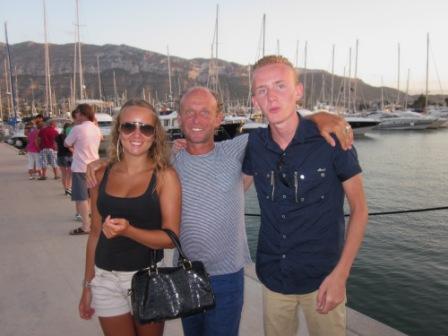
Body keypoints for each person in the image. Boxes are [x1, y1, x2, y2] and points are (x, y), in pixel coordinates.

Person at [87, 88, 353, 336]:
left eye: (205, 112)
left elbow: (281, 127)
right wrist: (104, 162)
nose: (196, 119)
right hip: (184, 272)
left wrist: (318, 117)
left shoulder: (237, 149)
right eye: (189, 112)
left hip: (228, 276)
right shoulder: (168, 161)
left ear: (219, 119)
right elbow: (136, 155)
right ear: (179, 119)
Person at [242, 55, 368, 336]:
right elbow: (231, 186)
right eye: (262, 90)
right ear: (255, 101)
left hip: (324, 278)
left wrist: (341, 275)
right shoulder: (254, 146)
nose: (271, 96)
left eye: (280, 86)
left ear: (298, 92)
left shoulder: (332, 140)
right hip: (274, 277)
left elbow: (360, 210)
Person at [78, 99, 181, 336]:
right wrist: (87, 285)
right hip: (104, 280)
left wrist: (128, 231)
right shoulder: (100, 173)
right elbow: (94, 233)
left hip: (147, 278)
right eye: (129, 126)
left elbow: (171, 237)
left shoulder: (165, 176)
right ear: (118, 131)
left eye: (145, 128)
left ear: (155, 135)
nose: (137, 134)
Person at [65, 104, 102, 235]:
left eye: (77, 113)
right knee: (93, 197)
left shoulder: (77, 129)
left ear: (81, 113)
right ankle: (97, 223)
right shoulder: (96, 129)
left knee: (81, 198)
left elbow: (66, 143)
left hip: (81, 167)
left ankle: (86, 226)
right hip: (96, 167)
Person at [55, 122, 73, 195]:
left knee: (64, 174)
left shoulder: (58, 136)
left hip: (60, 156)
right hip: (69, 156)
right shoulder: (69, 136)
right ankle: (69, 188)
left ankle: (66, 189)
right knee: (69, 173)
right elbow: (69, 147)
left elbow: (55, 147)